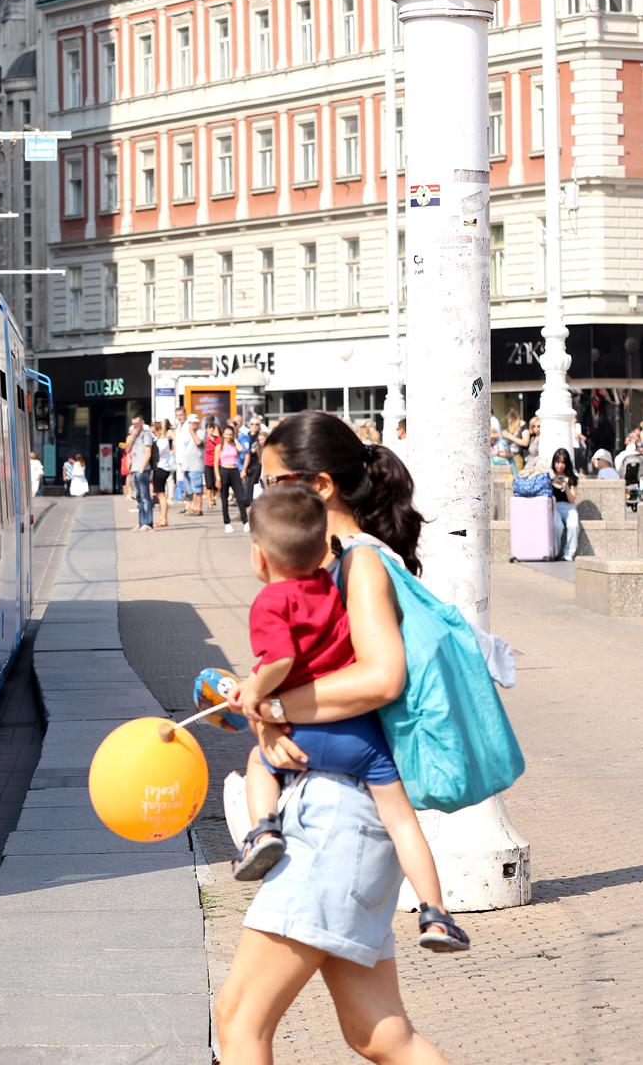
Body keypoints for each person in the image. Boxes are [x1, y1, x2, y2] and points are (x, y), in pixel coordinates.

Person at [214, 410, 450, 1065]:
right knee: (378, 1033)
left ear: (318, 486)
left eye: (270, 483)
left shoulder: (362, 564)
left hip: (336, 818)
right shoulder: (331, 569)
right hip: (346, 815)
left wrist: (271, 707)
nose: (258, 496)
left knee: (238, 1018)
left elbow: (380, 677)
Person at [230, 486, 466, 954]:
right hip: (359, 733)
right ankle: (435, 914)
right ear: (323, 549)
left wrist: (256, 695)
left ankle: (264, 831)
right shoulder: (330, 584)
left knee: (259, 764)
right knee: (402, 822)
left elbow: (279, 660)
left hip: (303, 731)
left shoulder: (270, 603)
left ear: (259, 557)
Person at [217, 423, 251, 534]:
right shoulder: (219, 446)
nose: (228, 436)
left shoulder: (235, 444)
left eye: (230, 434)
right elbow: (215, 463)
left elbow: (242, 450)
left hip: (234, 470)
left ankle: (245, 521)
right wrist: (217, 477)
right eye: (226, 434)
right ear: (223, 434)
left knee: (240, 497)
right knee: (224, 498)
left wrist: (235, 440)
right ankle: (227, 523)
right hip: (223, 471)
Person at [124, 417, 154, 531]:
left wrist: (142, 468)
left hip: (143, 469)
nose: (135, 425)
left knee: (145, 496)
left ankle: (148, 523)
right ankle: (141, 522)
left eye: (137, 423)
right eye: (133, 424)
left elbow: (148, 452)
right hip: (134, 469)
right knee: (138, 498)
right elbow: (127, 450)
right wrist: (132, 436)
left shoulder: (146, 434)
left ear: (142, 422)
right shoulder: (134, 436)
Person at [550, 447, 580, 560]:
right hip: (554, 506)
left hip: (569, 507)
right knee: (557, 526)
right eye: (558, 462)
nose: (560, 465)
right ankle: (555, 552)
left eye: (563, 462)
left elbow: (572, 499)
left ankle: (569, 554)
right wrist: (553, 481)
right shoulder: (549, 476)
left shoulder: (571, 478)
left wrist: (566, 486)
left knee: (574, 525)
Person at [176, 414, 205, 516]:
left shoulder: (201, 432)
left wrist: (192, 431)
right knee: (189, 489)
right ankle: (192, 508)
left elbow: (198, 442)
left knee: (197, 488)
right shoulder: (185, 434)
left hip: (196, 465)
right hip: (186, 465)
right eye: (190, 423)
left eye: (194, 423)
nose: (192, 425)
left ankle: (198, 508)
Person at [152, 421, 175, 529]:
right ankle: (162, 518)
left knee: (161, 495)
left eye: (155, 431)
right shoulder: (159, 440)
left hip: (161, 468)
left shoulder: (162, 441)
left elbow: (157, 453)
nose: (154, 433)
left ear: (160, 430)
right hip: (162, 468)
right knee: (160, 495)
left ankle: (164, 519)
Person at [203, 415, 222, 511]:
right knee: (209, 483)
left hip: (217, 463)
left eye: (212, 428)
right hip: (207, 463)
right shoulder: (204, 438)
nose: (210, 430)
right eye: (208, 428)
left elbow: (221, 445)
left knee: (216, 484)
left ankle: (214, 496)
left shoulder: (217, 439)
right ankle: (209, 500)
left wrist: (215, 437)